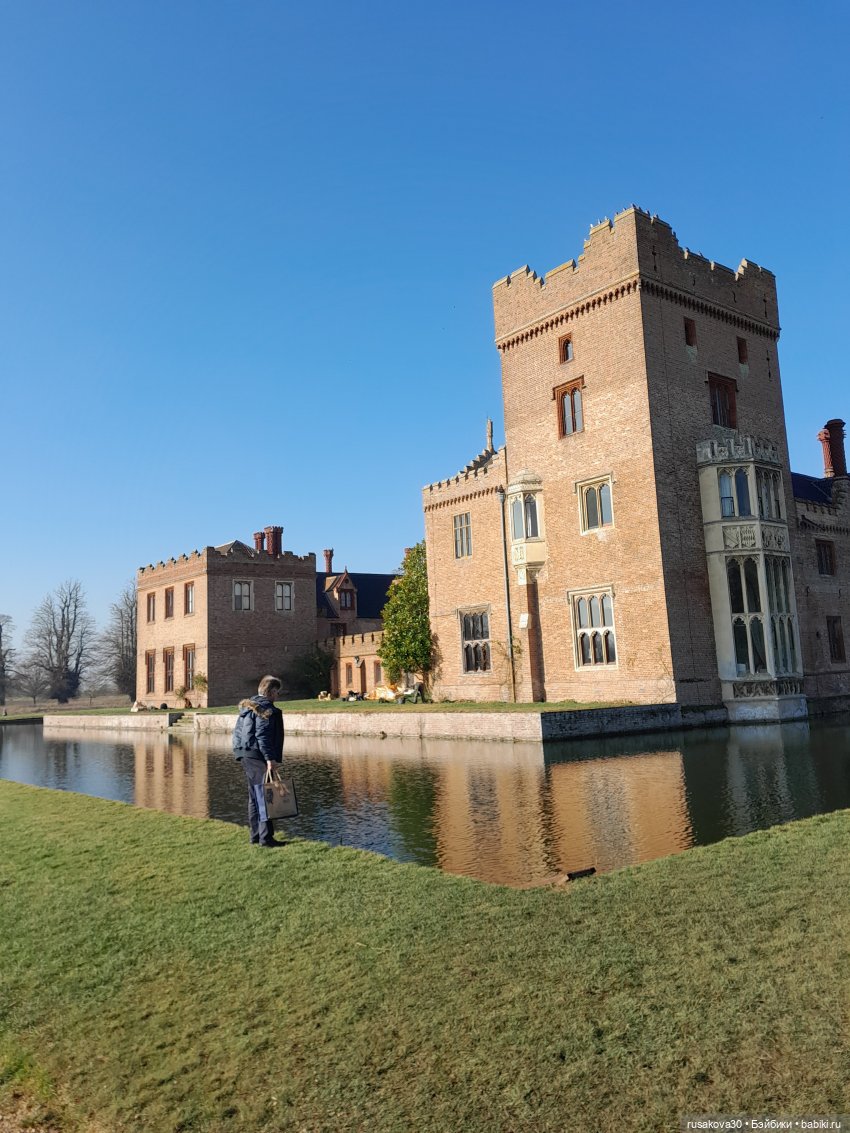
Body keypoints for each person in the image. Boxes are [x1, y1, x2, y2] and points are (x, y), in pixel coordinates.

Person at [232, 674, 285, 847]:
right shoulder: (264, 709)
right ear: (270, 692)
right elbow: (262, 736)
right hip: (257, 755)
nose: (278, 696)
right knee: (263, 796)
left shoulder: (250, 707)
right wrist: (270, 759)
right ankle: (266, 839)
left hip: (246, 754)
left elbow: (240, 734)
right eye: (277, 692)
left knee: (254, 796)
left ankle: (256, 836)